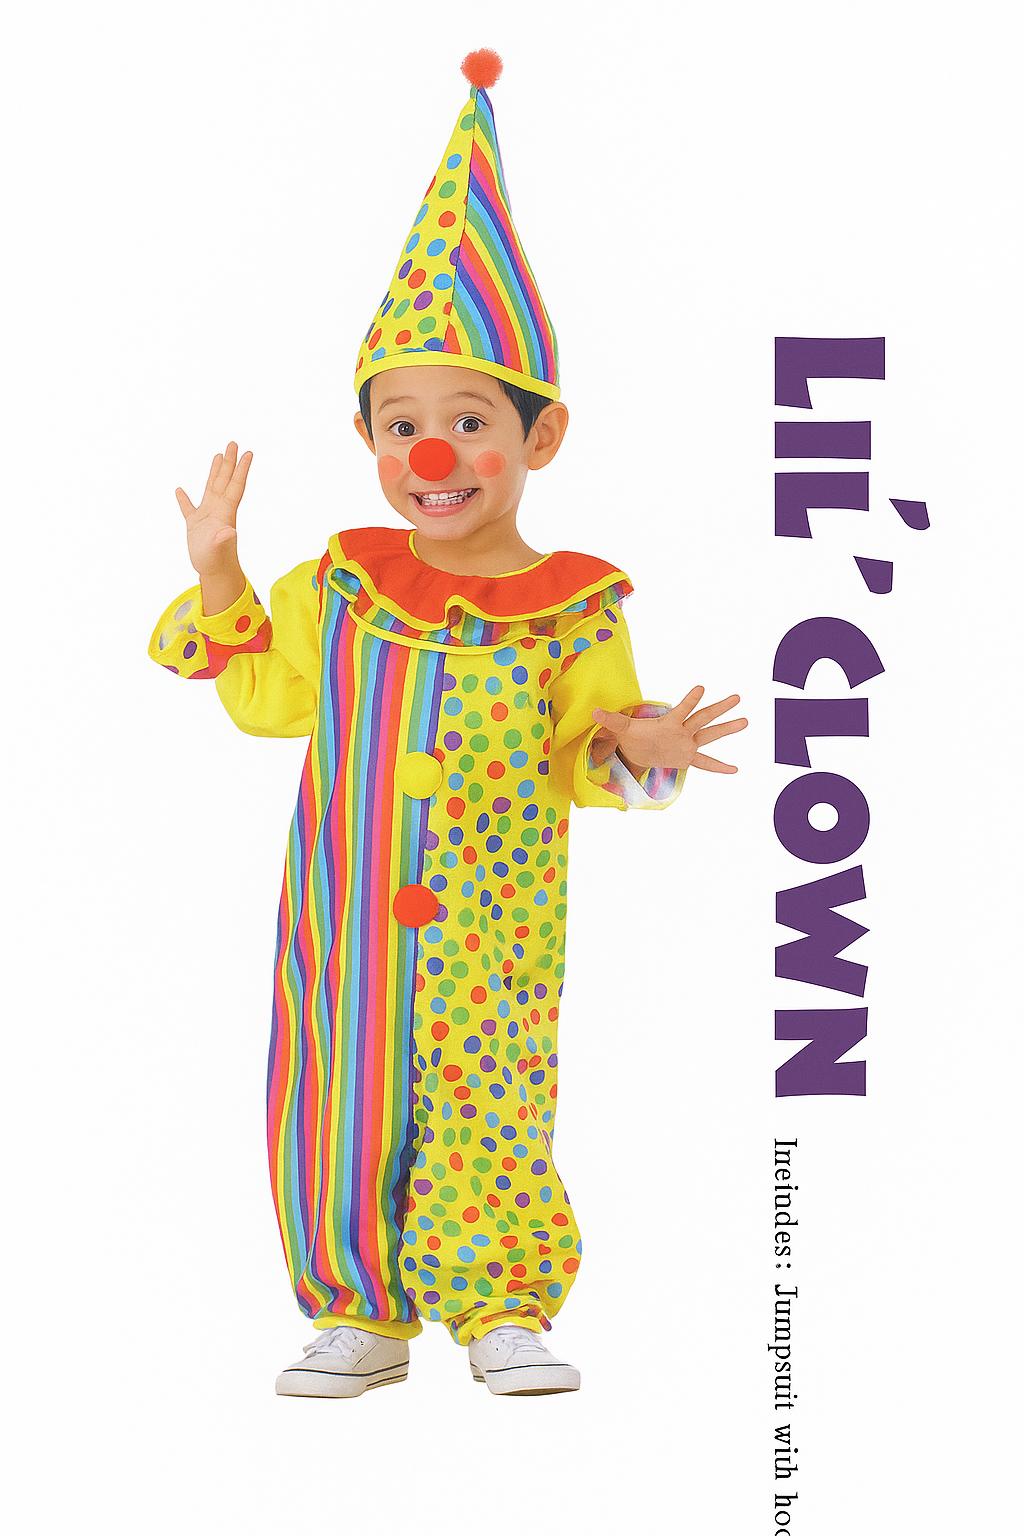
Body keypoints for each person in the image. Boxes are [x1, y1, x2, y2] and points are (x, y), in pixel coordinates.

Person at [148, 48, 747, 1398]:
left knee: (493, 1098)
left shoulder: (574, 606)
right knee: (341, 1091)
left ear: (540, 438)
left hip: (497, 917)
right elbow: (266, 699)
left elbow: (589, 749)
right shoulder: (341, 584)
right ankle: (356, 1312)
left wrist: (639, 747)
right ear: (370, 441)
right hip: (348, 915)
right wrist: (223, 575)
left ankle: (499, 1306)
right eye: (400, 425)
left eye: (469, 421)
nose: (432, 455)